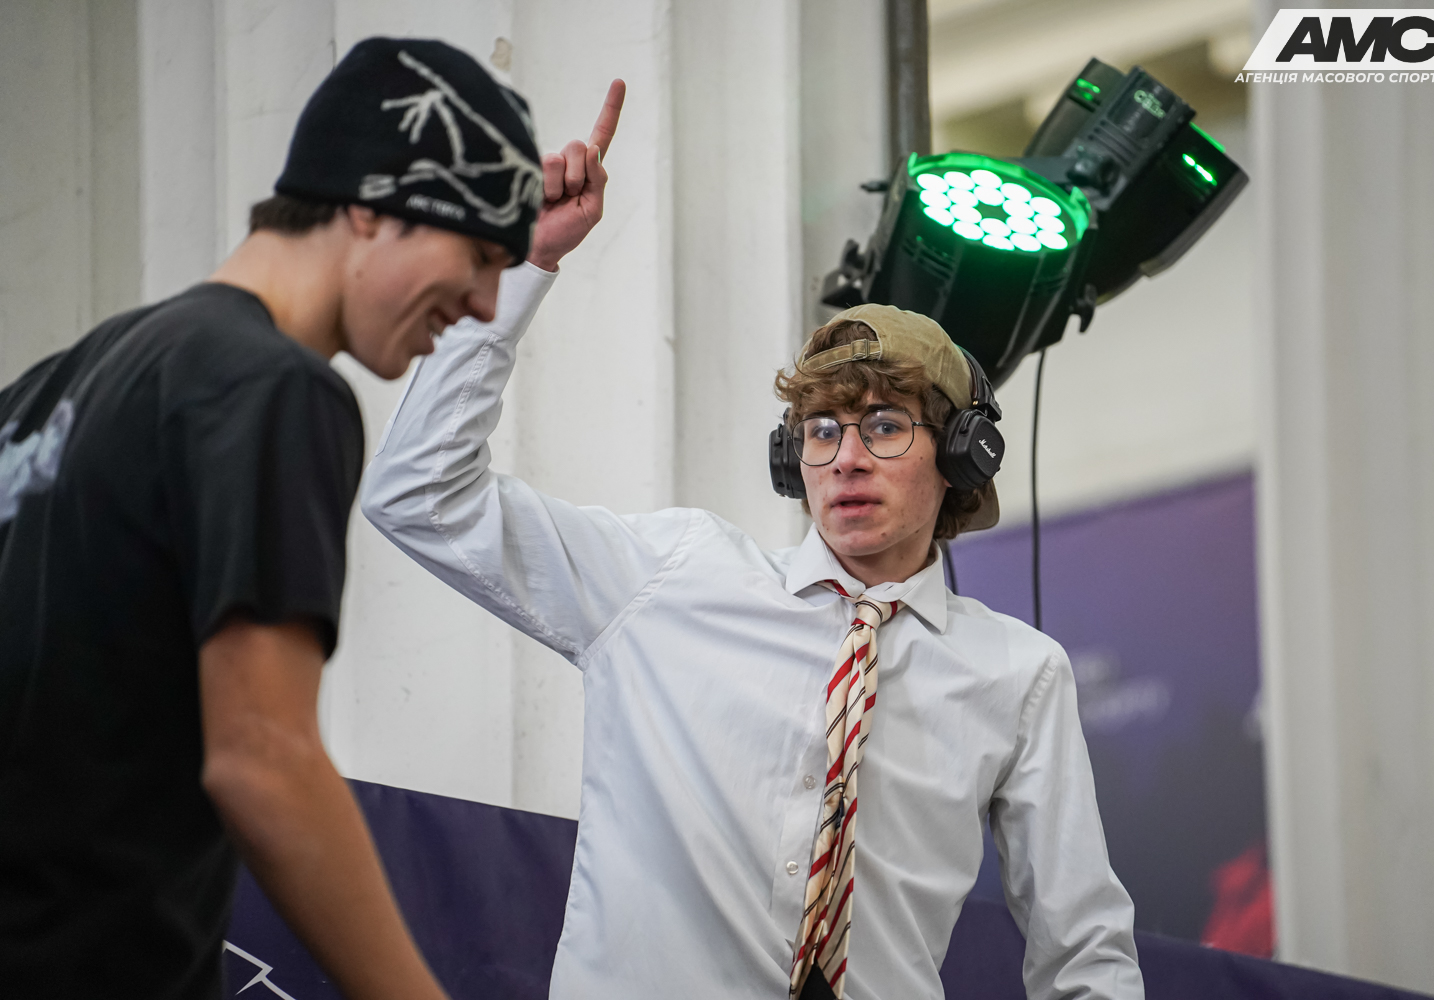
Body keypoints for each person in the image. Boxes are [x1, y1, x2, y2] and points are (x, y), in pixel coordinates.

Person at [361, 188, 1145, 994]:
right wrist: (523, 265)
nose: (845, 458)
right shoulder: (670, 576)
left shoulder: (1019, 673)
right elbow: (417, 493)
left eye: (884, 426)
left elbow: (1084, 951)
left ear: (960, 454)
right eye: (822, 430)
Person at [0, 35, 622, 999]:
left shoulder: (57, 387)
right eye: (475, 256)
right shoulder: (270, 388)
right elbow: (263, 757)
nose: (480, 301)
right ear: (369, 207)